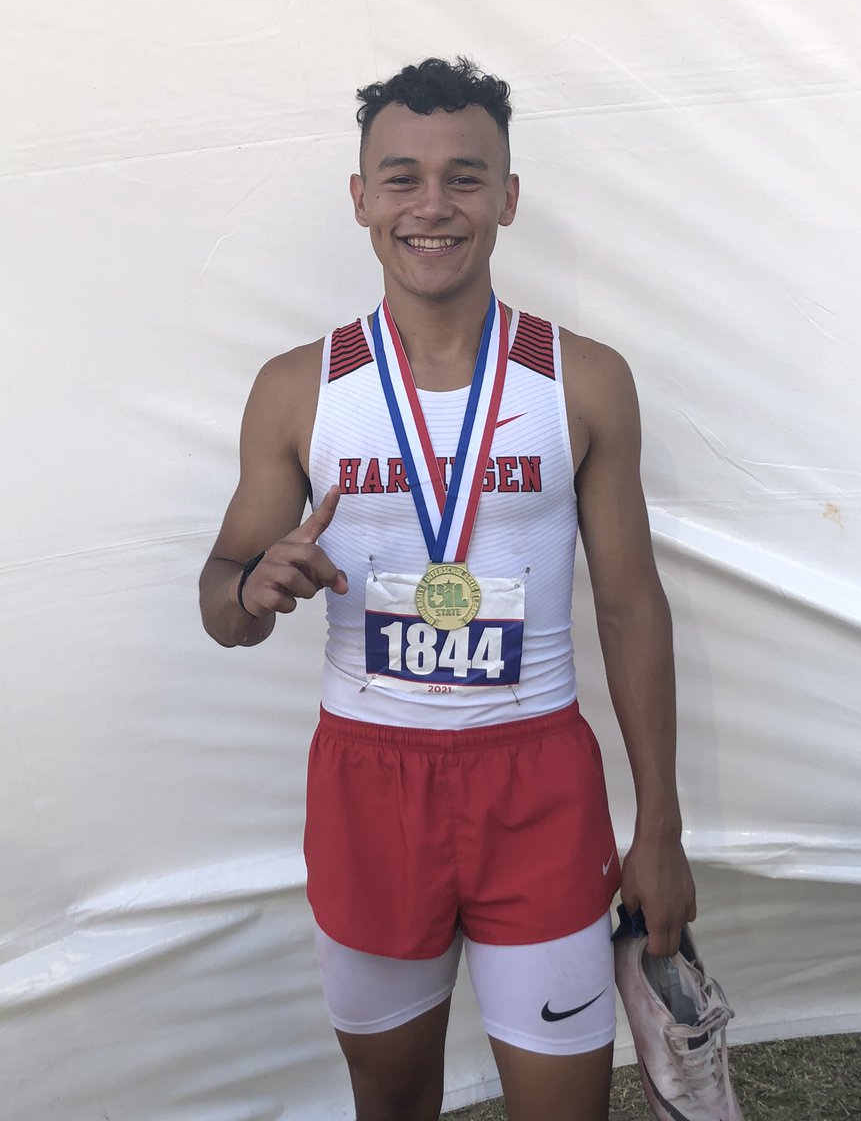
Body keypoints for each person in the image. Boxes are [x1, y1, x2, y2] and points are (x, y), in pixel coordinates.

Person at [199, 57, 695, 1121]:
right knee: (390, 1102)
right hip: (368, 785)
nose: (432, 205)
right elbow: (221, 602)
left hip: (538, 781)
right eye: (402, 178)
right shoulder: (297, 389)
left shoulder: (583, 379)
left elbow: (630, 606)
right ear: (361, 198)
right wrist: (251, 592)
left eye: (465, 177)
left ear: (508, 197)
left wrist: (660, 823)